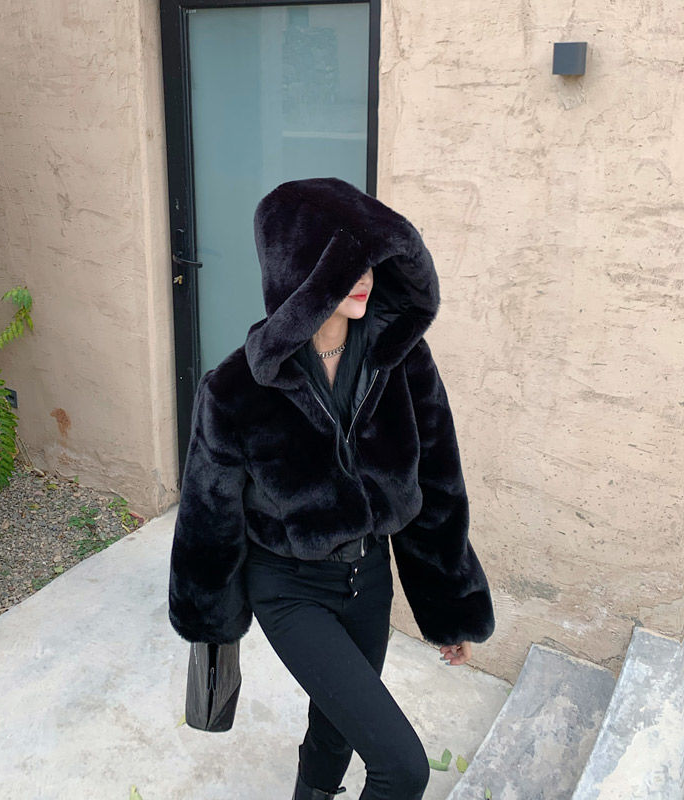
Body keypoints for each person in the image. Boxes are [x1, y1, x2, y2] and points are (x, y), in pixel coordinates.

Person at [168, 176, 496, 800]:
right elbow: (208, 522)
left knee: (336, 729)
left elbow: (439, 490)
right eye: (343, 266)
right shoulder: (233, 390)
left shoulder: (402, 359)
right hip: (288, 588)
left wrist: (449, 608)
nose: (365, 277)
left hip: (370, 582)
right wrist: (213, 627)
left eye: (368, 261)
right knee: (403, 768)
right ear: (300, 273)